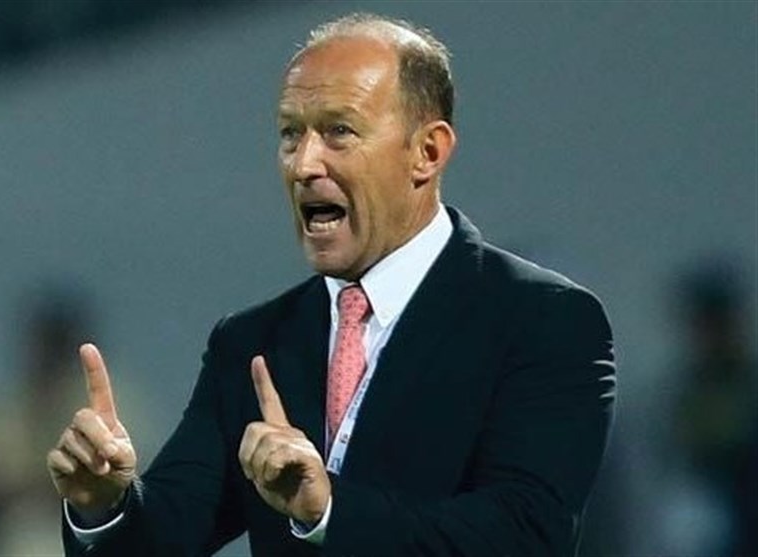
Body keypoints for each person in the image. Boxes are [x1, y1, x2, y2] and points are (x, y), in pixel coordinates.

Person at [48, 13, 616, 556]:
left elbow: (524, 538)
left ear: (427, 152)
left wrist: (328, 511)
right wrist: (104, 506)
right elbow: (167, 537)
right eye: (290, 134)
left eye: (339, 131)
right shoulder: (251, 345)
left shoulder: (543, 321)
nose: (304, 164)